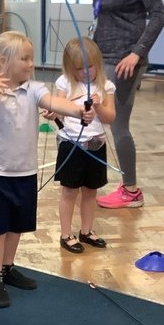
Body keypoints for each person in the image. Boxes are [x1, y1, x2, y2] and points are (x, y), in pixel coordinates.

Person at [0, 31, 95, 307]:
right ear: (4, 61)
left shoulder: (34, 89)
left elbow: (55, 103)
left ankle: (7, 267)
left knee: (16, 226)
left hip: (25, 172)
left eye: (31, 58)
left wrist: (80, 112)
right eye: (25, 59)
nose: (31, 64)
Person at [90, 0, 164, 209]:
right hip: (102, 55)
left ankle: (131, 190)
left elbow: (158, 14)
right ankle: (94, 181)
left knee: (117, 123)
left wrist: (136, 53)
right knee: (96, 118)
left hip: (125, 60)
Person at [47, 36, 116, 253]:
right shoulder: (65, 83)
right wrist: (52, 112)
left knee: (90, 191)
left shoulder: (106, 86)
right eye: (78, 68)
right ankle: (66, 234)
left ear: (98, 63)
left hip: (96, 145)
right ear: (70, 68)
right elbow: (58, 108)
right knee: (69, 192)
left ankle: (86, 231)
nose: (85, 72)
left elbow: (110, 118)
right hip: (71, 144)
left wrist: (99, 106)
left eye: (90, 66)